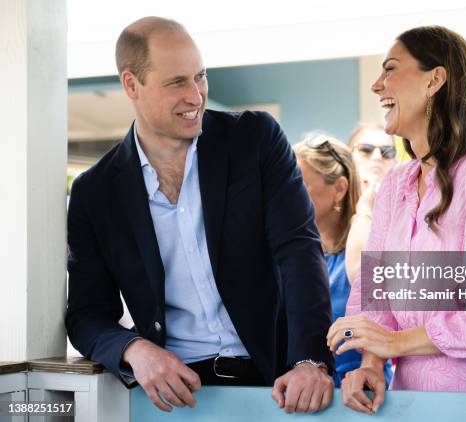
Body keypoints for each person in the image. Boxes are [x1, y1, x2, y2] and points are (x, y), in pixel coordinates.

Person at [65, 17, 334, 414]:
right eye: (177, 83)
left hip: (278, 384)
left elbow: (299, 250)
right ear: (131, 85)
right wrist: (134, 349)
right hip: (176, 397)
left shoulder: (255, 139)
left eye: (201, 77)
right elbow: (87, 313)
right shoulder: (95, 191)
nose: (196, 96)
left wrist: (310, 360)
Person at [326, 26, 466, 414]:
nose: (377, 85)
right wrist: (371, 363)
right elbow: (376, 291)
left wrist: (397, 343)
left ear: (435, 80)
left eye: (390, 69)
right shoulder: (396, 185)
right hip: (403, 402)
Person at [294, 134, 393, 388]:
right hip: (307, 394)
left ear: (339, 188)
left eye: (298, 185)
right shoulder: (298, 257)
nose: (287, 196)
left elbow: (368, 279)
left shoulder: (364, 242)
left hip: (361, 391)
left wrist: (365, 211)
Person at [344, 124, 398, 284]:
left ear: (395, 161)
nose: (377, 156)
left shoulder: (405, 212)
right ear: (349, 155)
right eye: (366, 149)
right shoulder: (332, 205)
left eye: (387, 151)